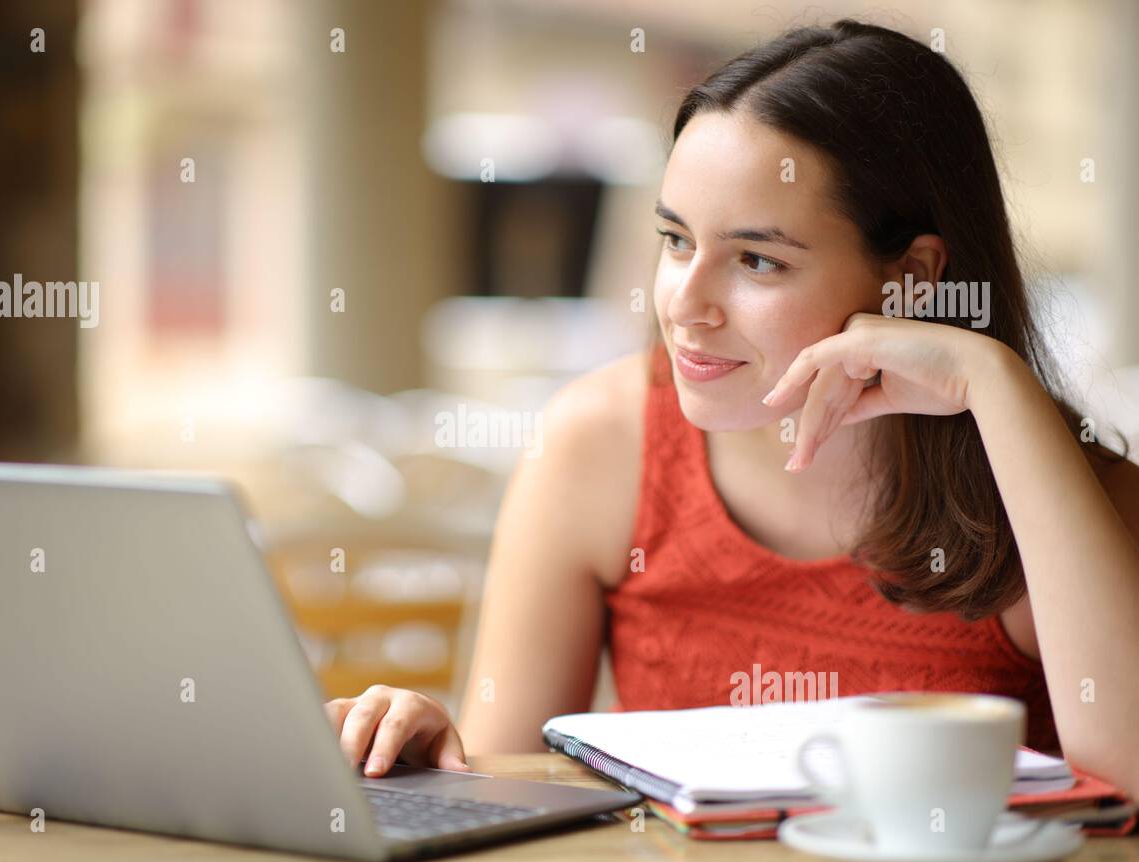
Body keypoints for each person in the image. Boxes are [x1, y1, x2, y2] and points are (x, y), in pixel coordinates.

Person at [324, 20, 1139, 796]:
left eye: (756, 260)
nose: (686, 304)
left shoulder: (1059, 485)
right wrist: (431, 753)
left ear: (913, 276)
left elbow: (1129, 790)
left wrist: (994, 387)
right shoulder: (600, 441)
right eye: (676, 241)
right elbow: (504, 785)